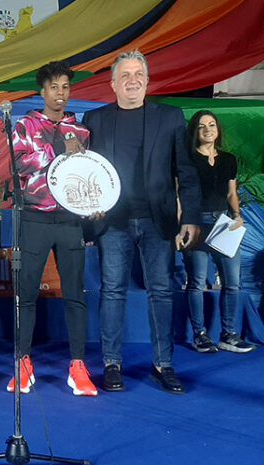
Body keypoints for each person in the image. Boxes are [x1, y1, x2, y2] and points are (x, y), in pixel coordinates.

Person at [82, 51, 202, 395]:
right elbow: (86, 171)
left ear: (147, 81)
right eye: (125, 75)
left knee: (162, 292)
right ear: (113, 84)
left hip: (157, 220)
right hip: (112, 221)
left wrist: (190, 217)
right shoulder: (94, 119)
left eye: (138, 74)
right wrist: (87, 210)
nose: (132, 80)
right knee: (112, 292)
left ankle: (163, 364)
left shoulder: (171, 117)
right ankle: (111, 364)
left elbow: (186, 171)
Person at [9, 61, 96, 396]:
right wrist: (58, 150)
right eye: (54, 87)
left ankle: (78, 367)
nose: (60, 93)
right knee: (26, 293)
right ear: (42, 91)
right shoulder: (25, 125)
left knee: (75, 294)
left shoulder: (81, 131)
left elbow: (88, 173)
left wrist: (94, 202)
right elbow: (18, 164)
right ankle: (23, 363)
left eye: (65, 87)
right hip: (35, 217)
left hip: (70, 220)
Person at [182, 110, 255, 354]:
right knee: (197, 282)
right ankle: (200, 335)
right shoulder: (187, 159)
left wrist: (237, 215)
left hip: (224, 223)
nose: (207, 130)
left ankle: (229, 335)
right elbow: (179, 193)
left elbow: (232, 193)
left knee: (232, 283)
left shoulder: (228, 159)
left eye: (211, 125)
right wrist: (182, 225)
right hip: (196, 223)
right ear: (195, 131)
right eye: (202, 126)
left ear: (218, 129)